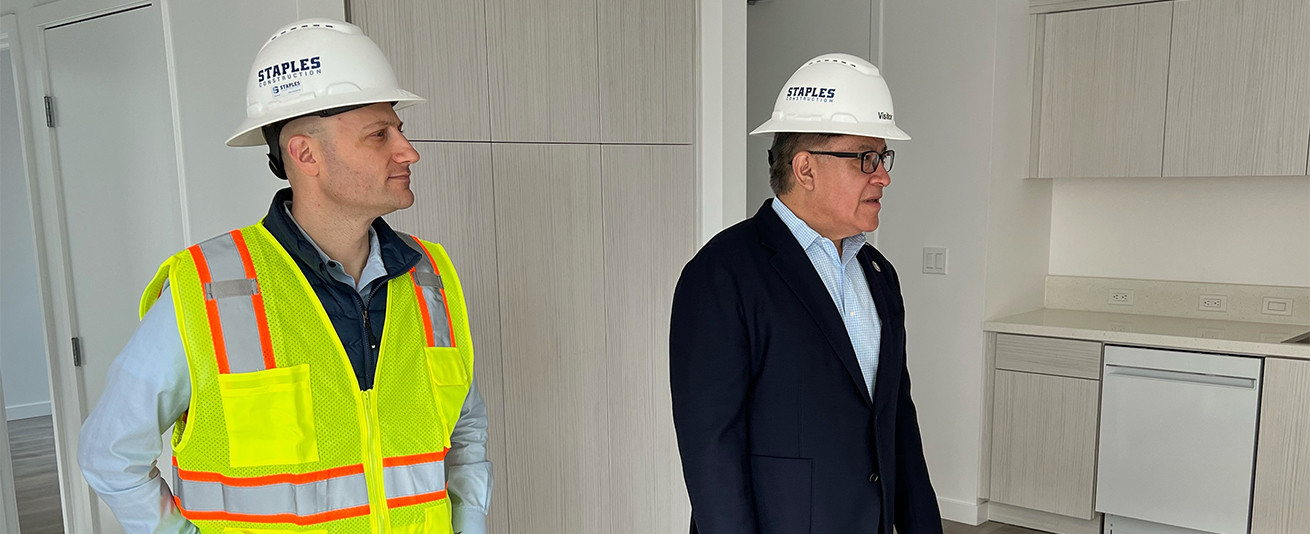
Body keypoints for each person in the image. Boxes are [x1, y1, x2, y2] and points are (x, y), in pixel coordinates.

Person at [78, 18, 491, 534]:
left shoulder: (430, 276)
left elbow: (465, 428)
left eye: (399, 130)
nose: (407, 151)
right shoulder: (209, 289)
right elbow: (109, 455)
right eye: (379, 134)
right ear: (305, 153)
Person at [669, 53, 941, 534]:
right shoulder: (722, 274)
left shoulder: (878, 274)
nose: (883, 175)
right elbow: (711, 451)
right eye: (866, 158)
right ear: (806, 168)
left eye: (883, 158)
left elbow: (898, 423)